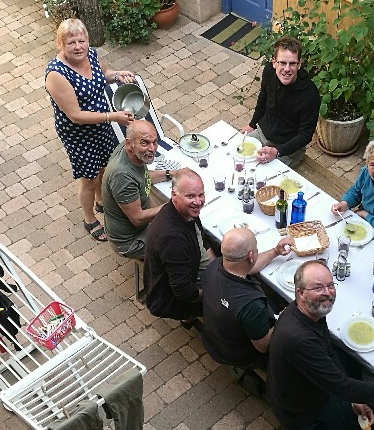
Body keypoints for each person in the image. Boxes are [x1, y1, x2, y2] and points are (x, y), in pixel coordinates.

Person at [267, 260, 374, 430]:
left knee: (351, 367)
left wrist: (353, 397)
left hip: (299, 388)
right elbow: (340, 386)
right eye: (318, 288)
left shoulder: (311, 312)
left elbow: (329, 352)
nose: (327, 293)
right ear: (300, 293)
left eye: (330, 285)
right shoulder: (300, 339)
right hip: (298, 409)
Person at [45, 18, 135, 243]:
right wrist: (112, 116)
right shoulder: (57, 74)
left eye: (81, 41)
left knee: (104, 165)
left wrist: (117, 74)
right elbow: (75, 115)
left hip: (101, 125)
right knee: (89, 178)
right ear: (61, 45)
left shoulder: (91, 55)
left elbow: (103, 74)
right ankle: (89, 219)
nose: (78, 47)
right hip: (78, 135)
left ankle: (101, 200)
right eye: (71, 42)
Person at [199, 228, 292, 370]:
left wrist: (275, 252)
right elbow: (263, 346)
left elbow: (245, 268)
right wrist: (284, 319)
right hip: (240, 356)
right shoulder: (250, 304)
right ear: (251, 256)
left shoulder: (214, 266)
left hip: (214, 339)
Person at [144, 170, 217, 325]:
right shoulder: (172, 238)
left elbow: (201, 239)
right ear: (174, 195)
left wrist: (217, 268)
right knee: (231, 306)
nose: (198, 202)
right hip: (169, 300)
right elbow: (183, 291)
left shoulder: (184, 211)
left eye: (201, 195)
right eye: (190, 196)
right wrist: (214, 296)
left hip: (191, 271)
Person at [102, 120, 181, 259]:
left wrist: (172, 174)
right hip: (131, 242)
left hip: (139, 221)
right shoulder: (121, 176)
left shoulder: (130, 152)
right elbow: (138, 218)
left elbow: (142, 177)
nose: (152, 149)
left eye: (154, 142)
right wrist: (176, 204)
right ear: (129, 144)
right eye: (145, 143)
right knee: (183, 242)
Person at [241, 36, 320, 167]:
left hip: (287, 149)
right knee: (235, 154)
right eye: (282, 63)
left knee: (259, 172)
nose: (287, 69)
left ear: (299, 64)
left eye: (292, 63)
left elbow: (305, 135)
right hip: (262, 134)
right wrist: (252, 124)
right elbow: (262, 99)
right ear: (274, 62)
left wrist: (277, 151)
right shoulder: (269, 72)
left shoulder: (310, 95)